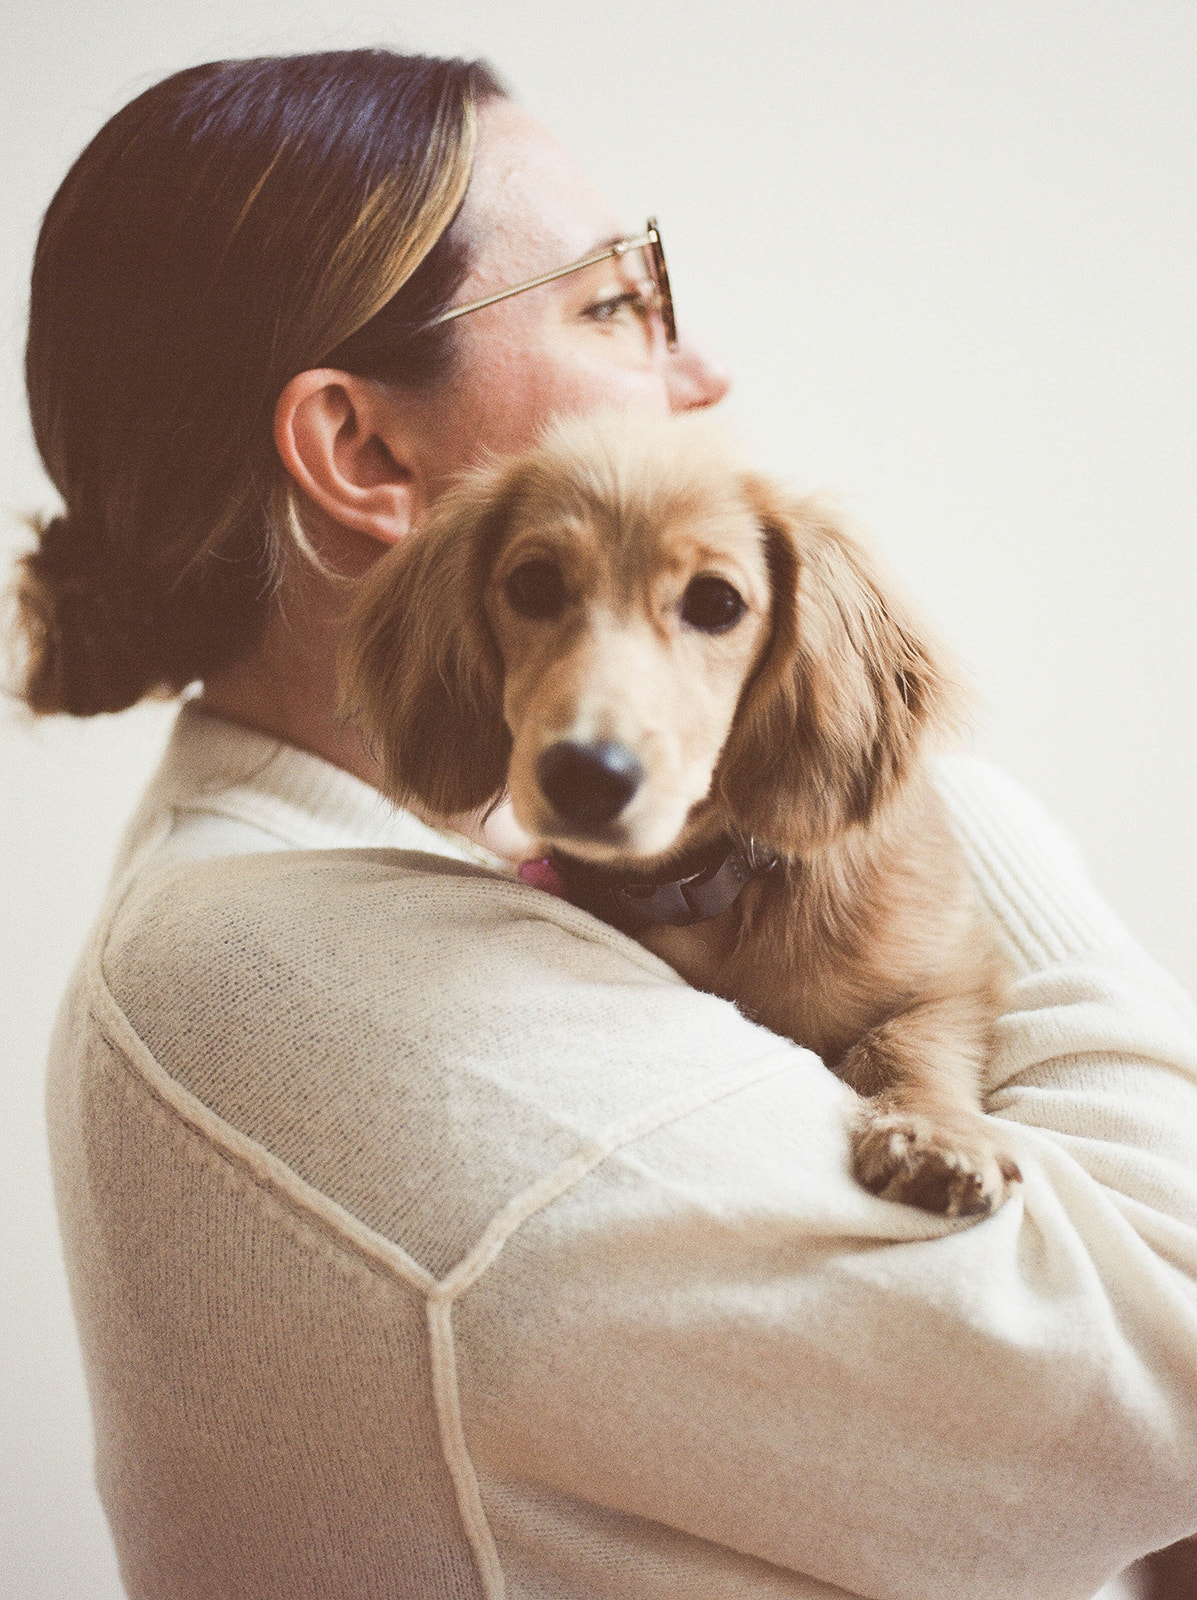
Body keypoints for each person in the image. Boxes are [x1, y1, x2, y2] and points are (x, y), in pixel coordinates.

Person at [14, 47, 1197, 1600]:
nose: (698, 376)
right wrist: (930, 800)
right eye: (615, 301)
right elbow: (1162, 1385)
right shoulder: (317, 984)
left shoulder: (325, 894)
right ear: (363, 453)